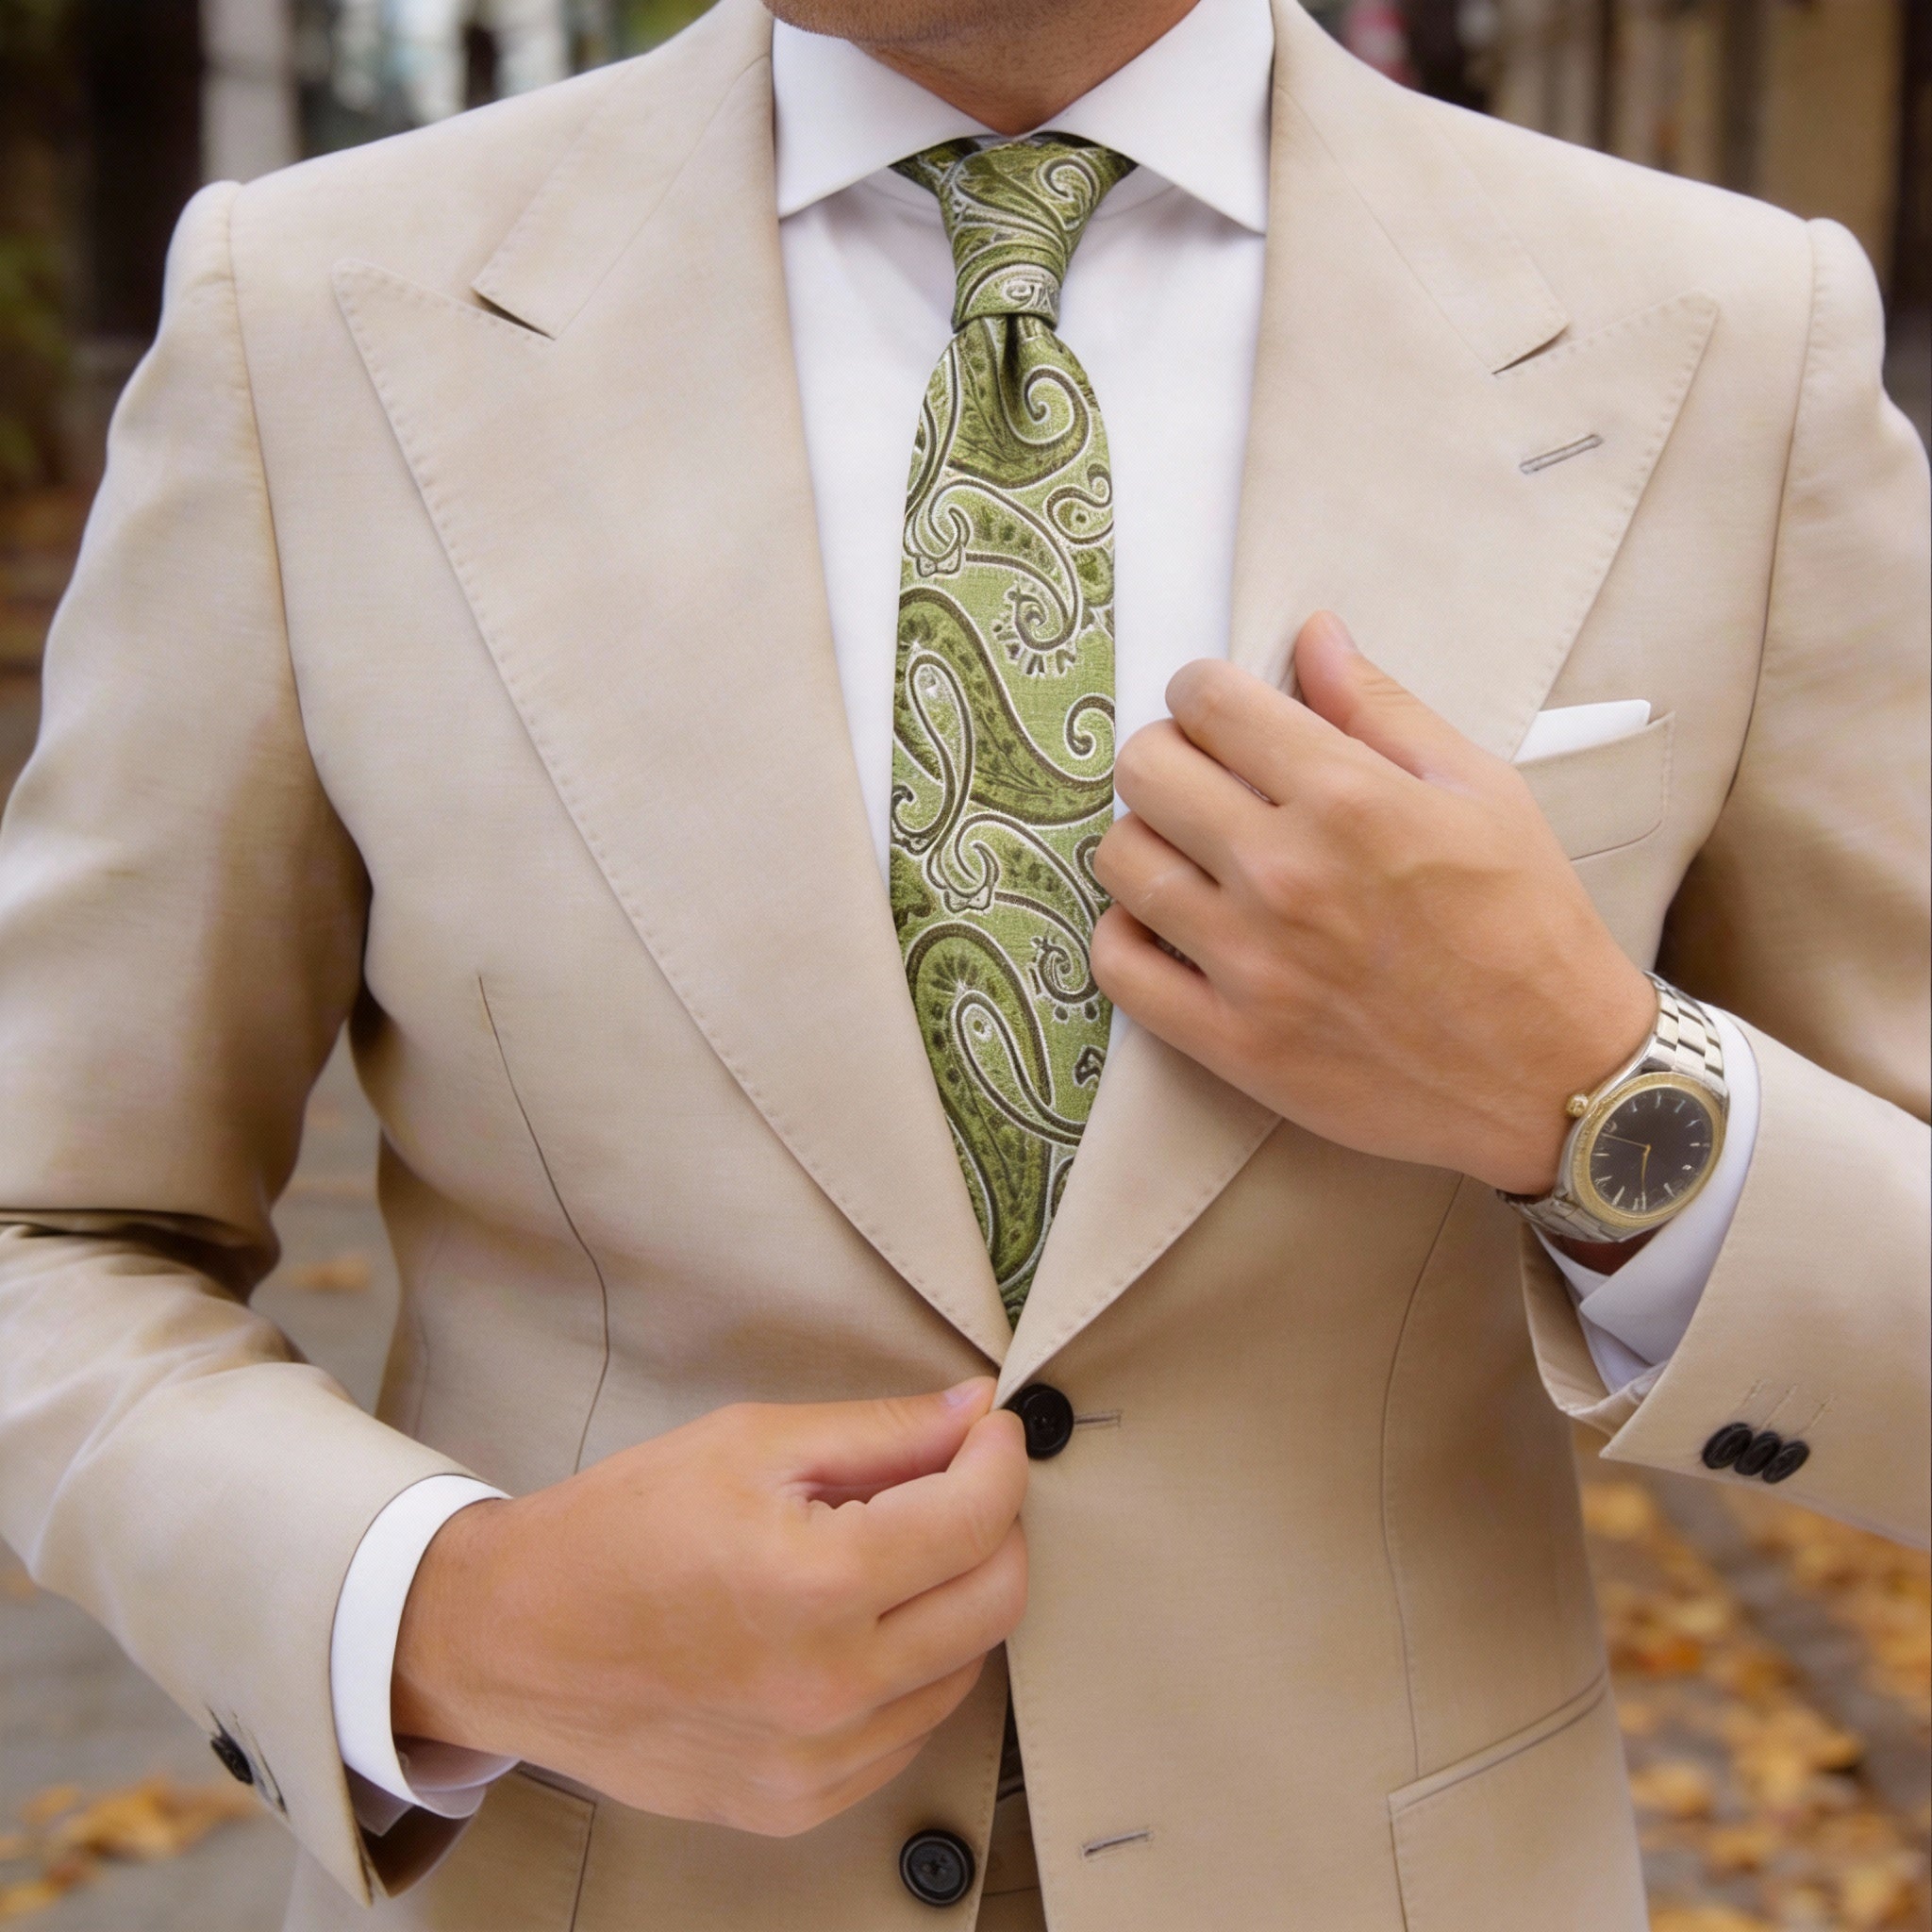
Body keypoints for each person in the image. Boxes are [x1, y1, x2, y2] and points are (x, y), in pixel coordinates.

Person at [0, 0, 1924, 1924]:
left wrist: (1595, 1091)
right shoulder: (313, 313)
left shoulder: (1724, 340)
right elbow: (53, 1234)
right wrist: (443, 1613)